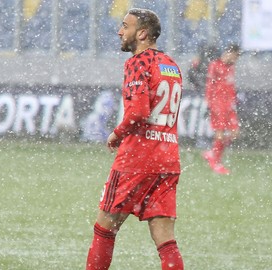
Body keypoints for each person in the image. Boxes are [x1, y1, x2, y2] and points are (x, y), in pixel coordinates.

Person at [86, 8, 184, 270]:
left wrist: (116, 134)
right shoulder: (171, 65)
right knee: (165, 239)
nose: (120, 31)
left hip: (138, 158)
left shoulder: (138, 62)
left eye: (125, 26)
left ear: (142, 33)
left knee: (104, 228)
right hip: (168, 158)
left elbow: (138, 112)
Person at [202, 44, 241, 175]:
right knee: (220, 133)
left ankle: (212, 153)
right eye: (235, 56)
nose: (235, 60)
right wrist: (208, 103)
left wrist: (234, 100)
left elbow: (231, 86)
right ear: (229, 53)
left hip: (229, 105)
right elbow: (209, 85)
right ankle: (216, 163)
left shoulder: (231, 67)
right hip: (217, 104)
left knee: (234, 133)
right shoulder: (215, 65)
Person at [187, 43, 219, 148]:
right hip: (207, 94)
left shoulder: (203, 62)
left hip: (204, 94)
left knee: (203, 116)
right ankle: (206, 139)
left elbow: (191, 75)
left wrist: (199, 86)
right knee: (206, 117)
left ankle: (203, 139)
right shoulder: (212, 62)